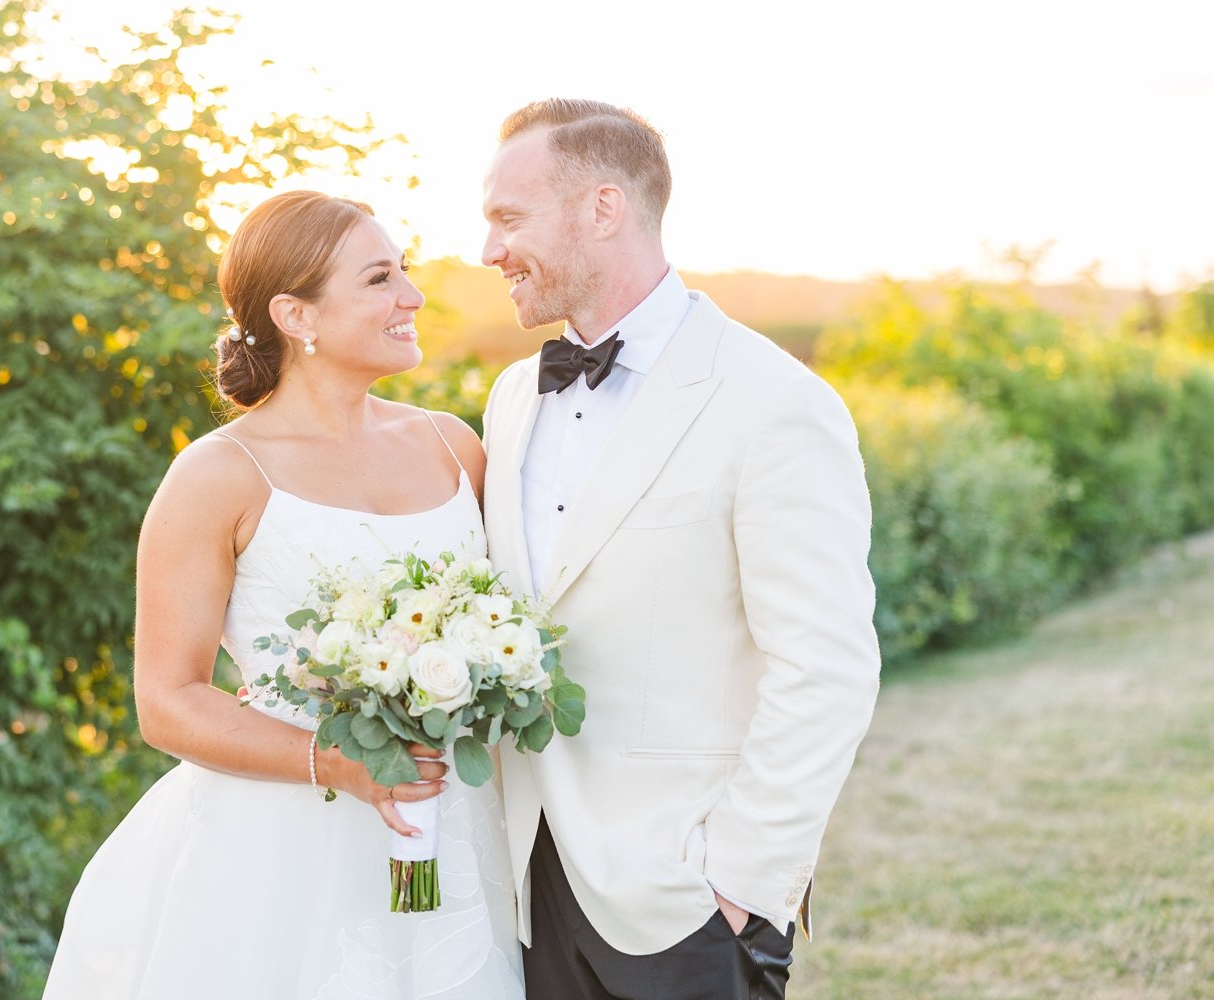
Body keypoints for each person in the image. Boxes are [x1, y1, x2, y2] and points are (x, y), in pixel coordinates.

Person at [44, 190, 525, 999]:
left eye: (403, 271)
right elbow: (167, 701)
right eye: (379, 279)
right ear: (295, 314)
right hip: (282, 846)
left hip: (452, 823)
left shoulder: (454, 445)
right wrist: (338, 762)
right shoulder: (217, 475)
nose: (411, 296)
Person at [478, 99, 881, 999]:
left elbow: (827, 667)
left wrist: (740, 883)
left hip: (685, 899)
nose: (488, 251)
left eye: (508, 218)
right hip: (527, 879)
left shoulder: (775, 401)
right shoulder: (510, 398)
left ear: (603, 209)